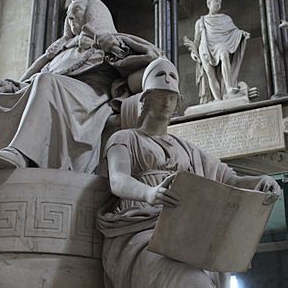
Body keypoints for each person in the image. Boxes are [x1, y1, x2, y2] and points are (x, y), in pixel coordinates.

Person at [97, 57, 280, 288]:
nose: (166, 102)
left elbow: (229, 179)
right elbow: (118, 179)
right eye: (161, 95)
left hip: (187, 233)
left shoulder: (188, 149)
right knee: (192, 282)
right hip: (142, 230)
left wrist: (260, 181)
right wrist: (149, 193)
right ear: (146, 99)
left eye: (172, 97)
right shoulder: (125, 138)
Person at [0, 0, 160, 172]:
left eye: (76, 11)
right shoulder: (60, 50)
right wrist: (14, 85)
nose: (70, 17)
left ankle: (20, 153)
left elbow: (149, 60)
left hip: (92, 96)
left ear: (91, 14)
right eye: (68, 14)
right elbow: (38, 82)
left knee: (46, 81)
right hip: (55, 90)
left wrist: (113, 47)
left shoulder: (108, 39)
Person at [184, 0, 250, 104]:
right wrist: (193, 53)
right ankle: (218, 99)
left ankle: (229, 88)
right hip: (205, 47)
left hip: (221, 44)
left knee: (224, 55)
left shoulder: (226, 19)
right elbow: (196, 41)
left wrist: (242, 34)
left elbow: (234, 31)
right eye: (216, 1)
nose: (218, 4)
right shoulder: (201, 21)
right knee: (210, 74)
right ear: (209, 4)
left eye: (220, 2)